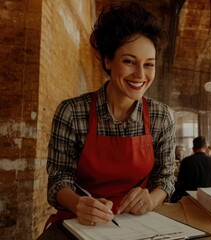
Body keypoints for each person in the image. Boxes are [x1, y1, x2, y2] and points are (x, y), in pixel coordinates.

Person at [45, 2, 176, 228]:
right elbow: (58, 179)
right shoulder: (72, 112)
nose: (140, 75)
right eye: (129, 61)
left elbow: (166, 177)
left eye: (149, 65)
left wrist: (152, 199)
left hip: (140, 224)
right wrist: (78, 204)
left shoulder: (161, 116)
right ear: (108, 60)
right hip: (81, 222)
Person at [171, 136, 211, 202]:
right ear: (206, 149)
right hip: (210, 201)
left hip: (190, 200)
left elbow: (180, 181)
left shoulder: (186, 161)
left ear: (193, 149)